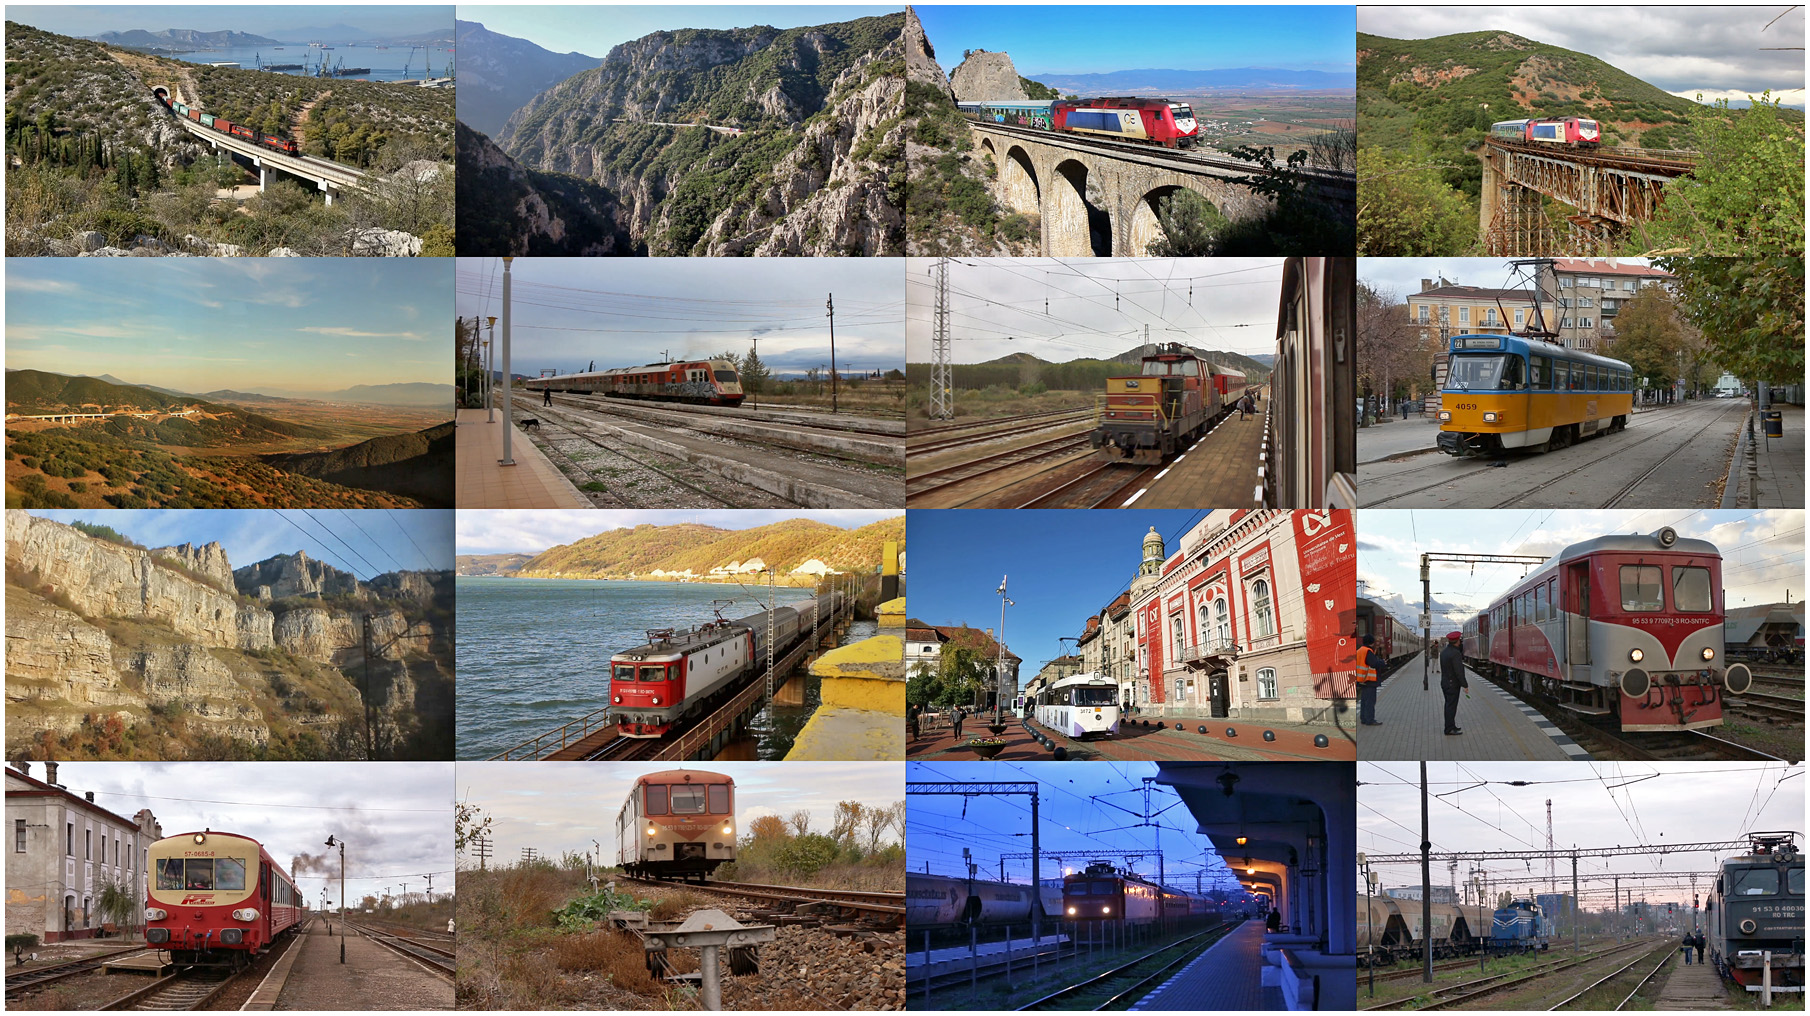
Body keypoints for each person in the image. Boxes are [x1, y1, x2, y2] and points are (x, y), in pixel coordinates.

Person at [1439, 631, 1470, 735]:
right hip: (1452, 684)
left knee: (1448, 705)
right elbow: (1459, 671)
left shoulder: (1444, 652)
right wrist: (1465, 685)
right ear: (1457, 641)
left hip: (1445, 682)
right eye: (1459, 640)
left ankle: (1451, 726)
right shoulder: (1456, 654)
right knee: (1451, 706)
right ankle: (1449, 729)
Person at [1355, 635, 1381, 725]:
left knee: (1364, 700)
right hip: (1369, 680)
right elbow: (1373, 664)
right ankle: (1370, 720)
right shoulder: (1368, 651)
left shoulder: (1359, 651)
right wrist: (1382, 662)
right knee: (1370, 701)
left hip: (1361, 679)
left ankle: (1363, 718)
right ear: (1372, 642)